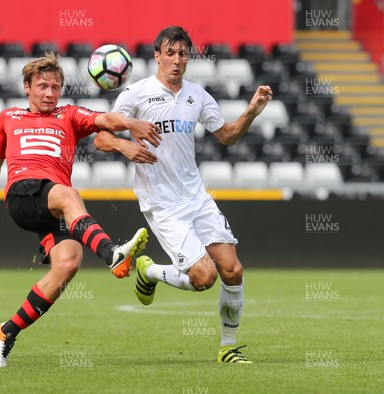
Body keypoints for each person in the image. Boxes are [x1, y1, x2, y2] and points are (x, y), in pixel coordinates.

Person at [0, 52, 162, 368]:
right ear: (27, 87)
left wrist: (130, 123)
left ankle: (5, 333)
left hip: (52, 206)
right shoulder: (8, 118)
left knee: (68, 265)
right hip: (22, 194)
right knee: (70, 194)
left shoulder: (69, 115)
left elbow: (105, 120)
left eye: (55, 87)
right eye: (42, 86)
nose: (49, 93)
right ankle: (112, 254)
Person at [94, 26, 273, 364]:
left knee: (233, 271)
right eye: (170, 53)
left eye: (183, 54)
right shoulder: (135, 94)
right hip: (162, 204)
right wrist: (125, 146)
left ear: (189, 58)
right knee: (204, 277)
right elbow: (100, 139)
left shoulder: (198, 96)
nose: (176, 61)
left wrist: (252, 111)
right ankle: (148, 272)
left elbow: (227, 136)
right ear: (157, 56)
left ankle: (227, 348)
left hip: (197, 198)